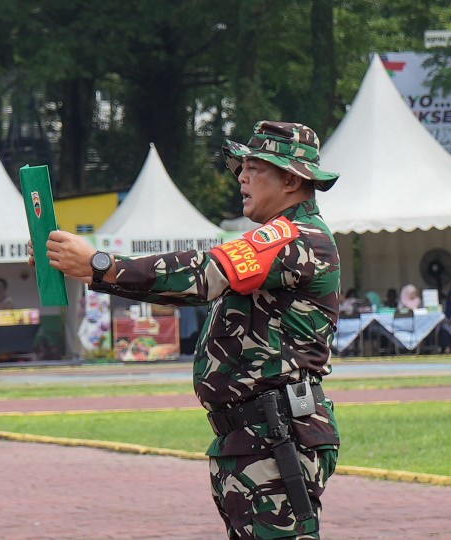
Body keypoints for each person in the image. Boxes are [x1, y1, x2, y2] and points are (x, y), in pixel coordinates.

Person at [30, 121, 341, 538]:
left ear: (290, 179)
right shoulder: (280, 240)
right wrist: (86, 267)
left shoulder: (293, 238)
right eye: (241, 167)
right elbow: (187, 290)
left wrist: (100, 266)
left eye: (255, 167)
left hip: (275, 434)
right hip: (254, 435)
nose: (241, 177)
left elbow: (202, 274)